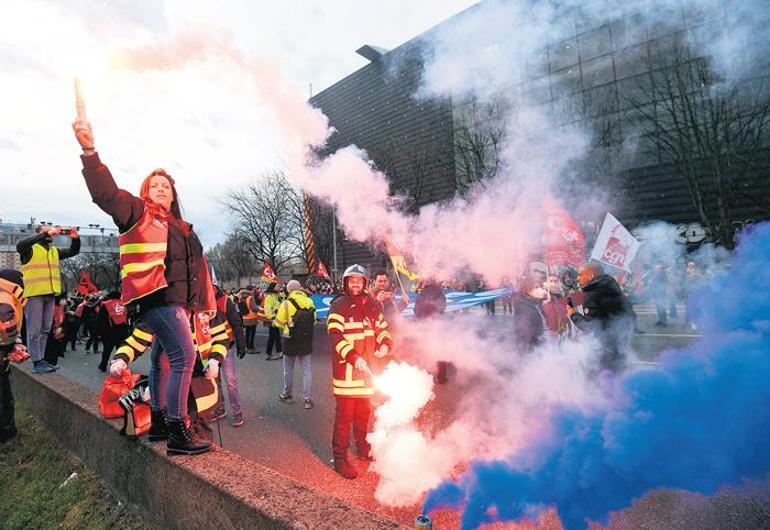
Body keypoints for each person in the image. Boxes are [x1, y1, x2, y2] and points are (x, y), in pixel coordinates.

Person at [73, 117, 216, 456]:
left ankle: (159, 424)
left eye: (166, 185)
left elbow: (197, 272)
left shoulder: (182, 227)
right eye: (155, 185)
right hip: (158, 300)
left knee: (163, 360)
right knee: (184, 356)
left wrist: (201, 308)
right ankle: (179, 432)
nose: (161, 188)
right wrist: (90, 152)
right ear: (144, 193)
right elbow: (105, 194)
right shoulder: (137, 212)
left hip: (175, 303)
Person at [326, 265, 392, 479]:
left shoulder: (374, 305)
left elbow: (383, 329)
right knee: (344, 418)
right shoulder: (338, 306)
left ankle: (363, 448)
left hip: (368, 374)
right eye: (351, 280)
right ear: (346, 282)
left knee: (364, 415)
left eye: (359, 280)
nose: (355, 283)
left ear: (365, 283)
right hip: (347, 376)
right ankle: (340, 459)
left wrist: (384, 345)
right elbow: (336, 336)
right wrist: (354, 357)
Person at [17, 224, 80, 374]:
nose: (51, 234)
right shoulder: (29, 249)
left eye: (50, 231)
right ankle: (36, 361)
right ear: (38, 234)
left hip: (50, 294)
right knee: (34, 330)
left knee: (46, 329)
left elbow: (73, 251)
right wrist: (45, 234)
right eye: (46, 231)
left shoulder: (53, 251)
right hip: (34, 294)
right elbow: (20, 244)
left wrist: (76, 239)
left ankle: (42, 359)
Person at [569, 262, 634, 373]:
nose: (578, 278)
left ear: (591, 276)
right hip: (619, 346)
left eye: (580, 275)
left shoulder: (592, 294)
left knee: (599, 384)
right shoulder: (612, 287)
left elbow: (592, 327)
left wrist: (573, 314)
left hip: (603, 351)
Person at [274, 279, 316, 409]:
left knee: (288, 370)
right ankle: (307, 399)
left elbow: (278, 323)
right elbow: (313, 321)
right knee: (307, 371)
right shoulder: (309, 301)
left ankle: (288, 394)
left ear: (289, 290)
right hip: (305, 340)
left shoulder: (286, 303)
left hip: (289, 339)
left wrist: (288, 326)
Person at [0, 269, 31, 443]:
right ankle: (6, 432)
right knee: (3, 394)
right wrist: (14, 347)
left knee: (5, 394)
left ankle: (7, 430)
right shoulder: (5, 300)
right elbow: (8, 329)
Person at [210, 284, 247, 426]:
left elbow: (236, 322)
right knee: (214, 380)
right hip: (208, 348)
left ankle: (237, 413)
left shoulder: (224, 300)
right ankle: (220, 408)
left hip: (227, 346)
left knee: (230, 381)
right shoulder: (199, 300)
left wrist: (240, 343)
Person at [97, 291, 130, 372]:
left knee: (107, 350)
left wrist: (98, 332)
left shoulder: (105, 304)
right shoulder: (125, 304)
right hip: (123, 330)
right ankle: (121, 367)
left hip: (109, 331)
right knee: (121, 350)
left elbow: (100, 319)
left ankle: (103, 365)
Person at [261, 281, 283, 360]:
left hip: (276, 319)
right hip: (272, 320)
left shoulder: (277, 296)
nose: (279, 288)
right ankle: (269, 353)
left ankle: (278, 352)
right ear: (273, 287)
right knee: (273, 336)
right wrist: (272, 318)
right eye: (277, 286)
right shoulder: (269, 297)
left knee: (276, 336)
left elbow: (280, 304)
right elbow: (268, 309)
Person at [238, 287, 262, 354]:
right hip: (252, 318)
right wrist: (259, 308)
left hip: (245, 317)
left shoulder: (241, 297)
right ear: (250, 290)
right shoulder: (250, 297)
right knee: (252, 333)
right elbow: (254, 308)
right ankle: (251, 348)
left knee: (247, 333)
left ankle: (246, 347)